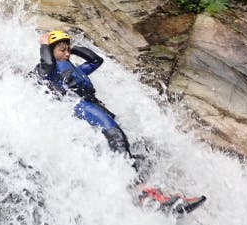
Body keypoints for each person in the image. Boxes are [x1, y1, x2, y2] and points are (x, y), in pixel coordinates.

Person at [34, 30, 206, 214]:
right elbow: (47, 65)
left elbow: (96, 60)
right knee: (116, 136)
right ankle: (140, 191)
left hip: (94, 106)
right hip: (79, 106)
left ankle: (149, 193)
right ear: (51, 51)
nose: (67, 54)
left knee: (134, 146)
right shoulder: (49, 70)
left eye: (67, 50)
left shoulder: (77, 69)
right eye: (62, 50)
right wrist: (45, 46)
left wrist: (72, 49)